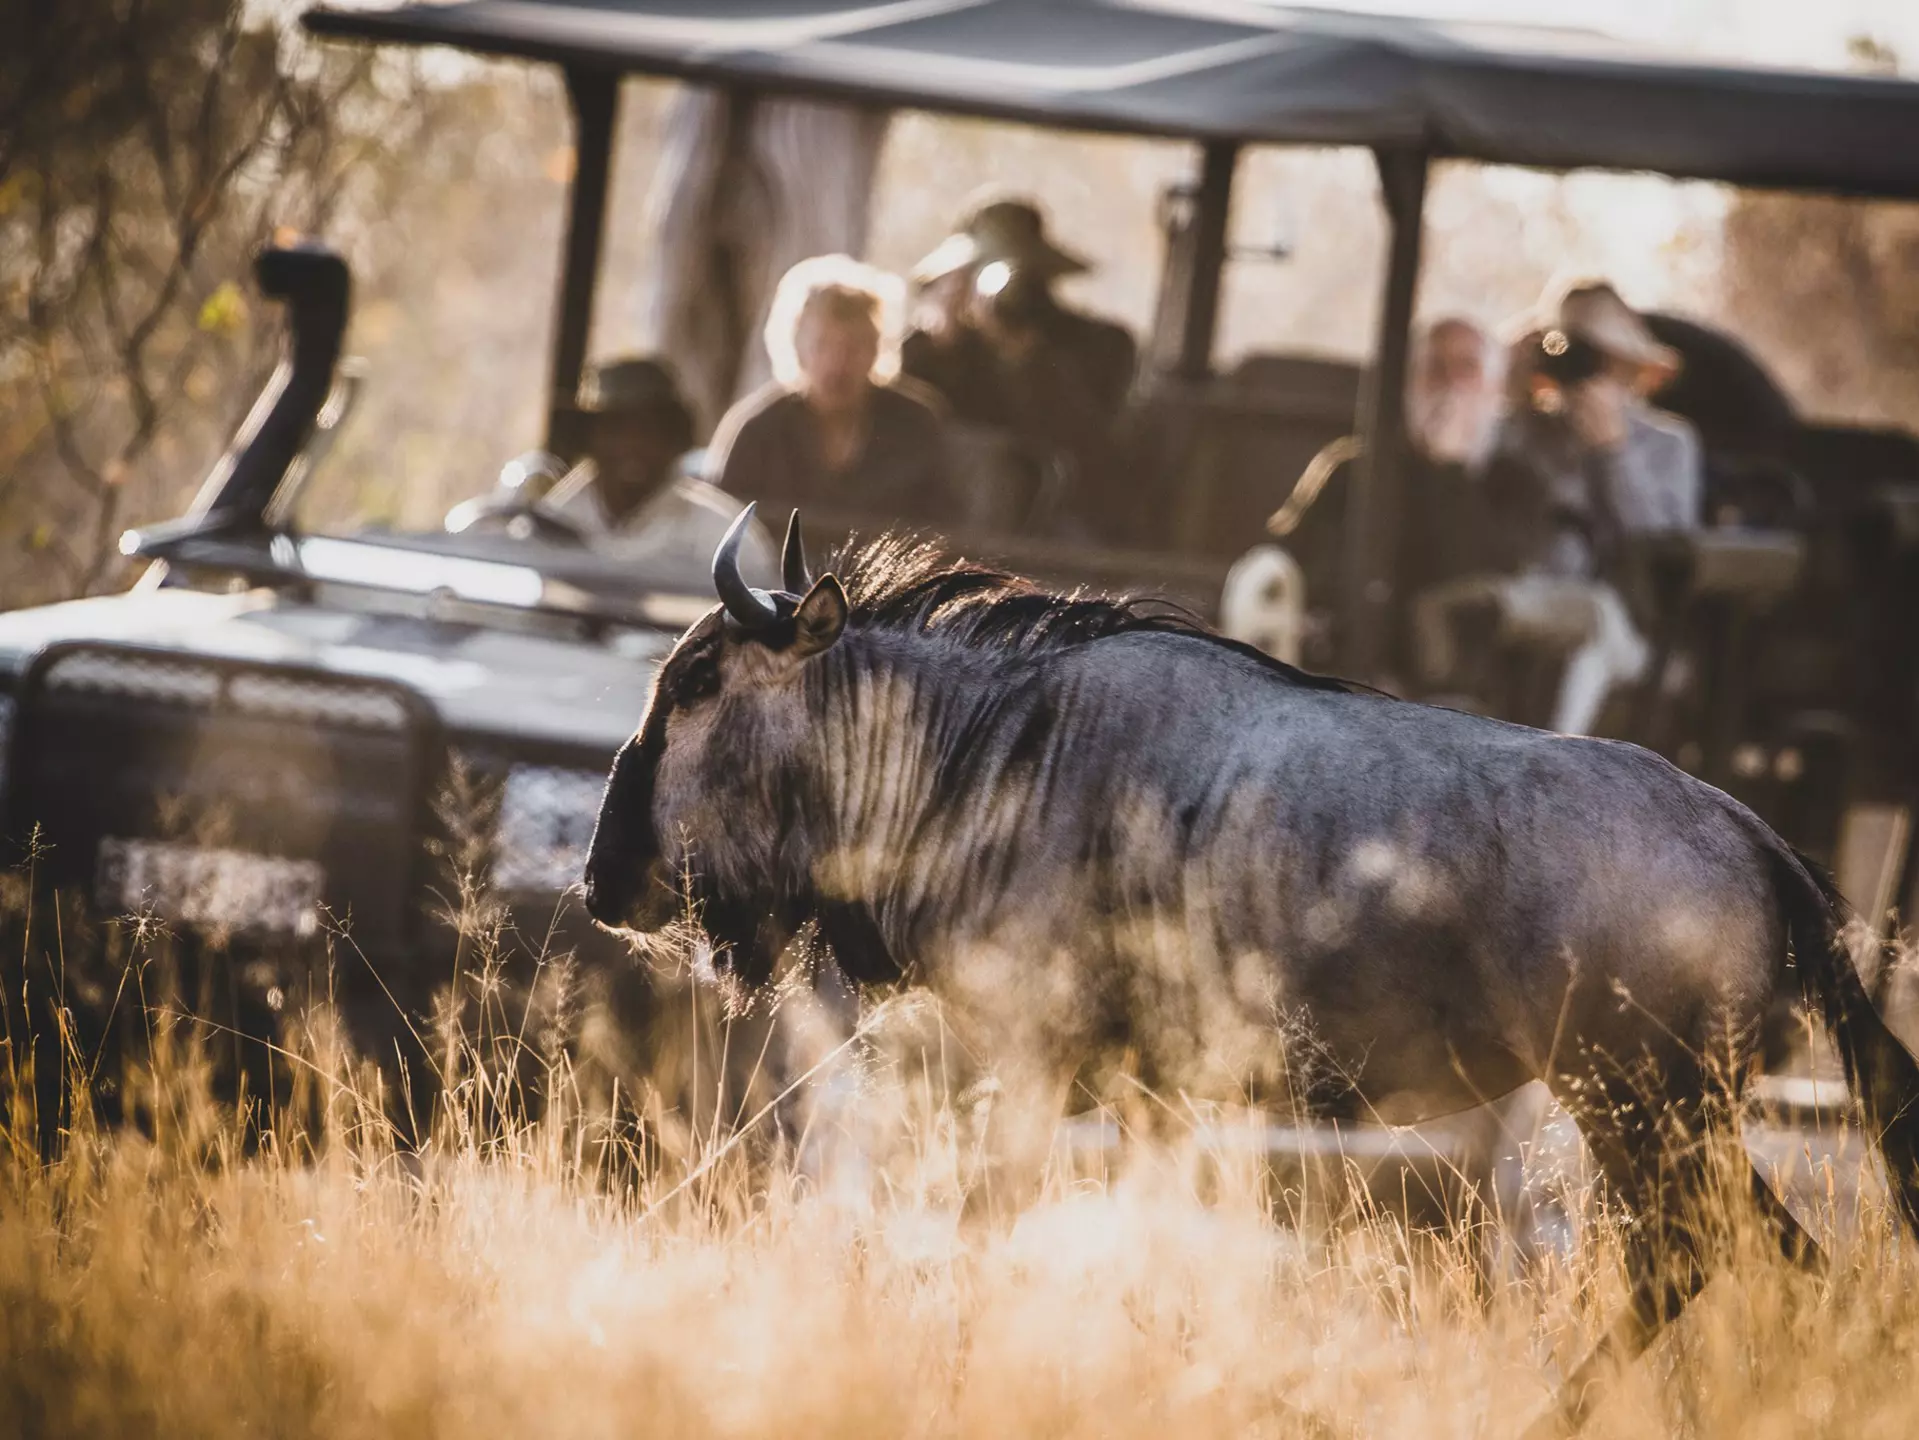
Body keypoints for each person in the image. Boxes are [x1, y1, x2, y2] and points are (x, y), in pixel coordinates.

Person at [1410, 282, 1703, 735]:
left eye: (1595, 358)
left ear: (1628, 365)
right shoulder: (1527, 432)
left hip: (1628, 626)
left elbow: (1661, 556)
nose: (1580, 370)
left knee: (1591, 623)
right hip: (1523, 601)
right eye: (1569, 353)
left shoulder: (1670, 443)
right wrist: (1513, 387)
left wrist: (1612, 453)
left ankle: (1553, 760)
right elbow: (1466, 491)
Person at [900, 196, 1136, 523]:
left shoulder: (1097, 343)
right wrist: (938, 346)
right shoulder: (938, 344)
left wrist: (1025, 358)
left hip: (1063, 522)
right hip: (951, 519)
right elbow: (901, 429)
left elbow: (1088, 444)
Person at [709, 254, 951, 524]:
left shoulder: (915, 423)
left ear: (876, 348)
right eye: (822, 345)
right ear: (798, 347)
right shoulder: (759, 430)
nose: (838, 362)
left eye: (854, 346)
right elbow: (719, 528)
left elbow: (945, 528)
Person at [544, 356, 698, 532]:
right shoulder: (554, 523)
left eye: (647, 430)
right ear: (590, 438)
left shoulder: (712, 533)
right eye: (615, 430)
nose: (631, 445)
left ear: (671, 438)